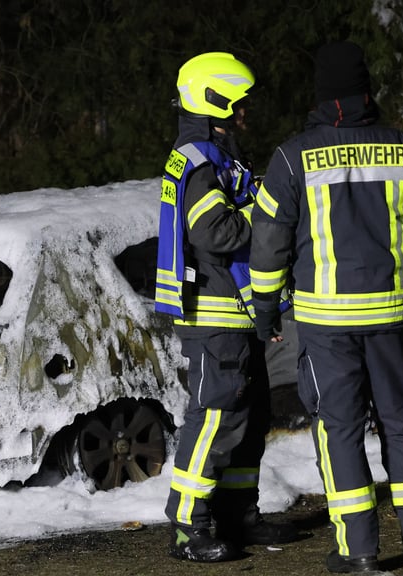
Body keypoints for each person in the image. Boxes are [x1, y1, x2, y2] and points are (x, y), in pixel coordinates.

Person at [250, 41, 403, 573]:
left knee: (339, 431)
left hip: (326, 325)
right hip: (393, 318)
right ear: (368, 91)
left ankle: (359, 553)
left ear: (321, 97)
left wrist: (267, 309)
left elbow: (269, 242)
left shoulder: (290, 158)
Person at [154, 51, 298, 563]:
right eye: (237, 106)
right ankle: (187, 525)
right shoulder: (196, 159)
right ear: (212, 100)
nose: (244, 115)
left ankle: (240, 512)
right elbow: (213, 231)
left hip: (235, 312)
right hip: (214, 314)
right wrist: (267, 219)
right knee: (213, 417)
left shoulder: (217, 154)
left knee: (247, 417)